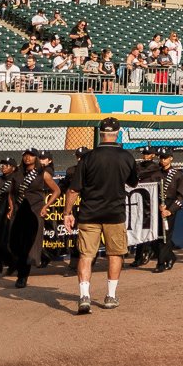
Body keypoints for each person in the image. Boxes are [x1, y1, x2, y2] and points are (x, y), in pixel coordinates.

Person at [64, 117, 140, 313]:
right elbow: (133, 183)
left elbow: (73, 190)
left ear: (100, 133)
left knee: (86, 255)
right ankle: (111, 296)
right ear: (118, 132)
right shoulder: (126, 157)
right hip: (115, 213)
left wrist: (67, 213)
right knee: (115, 254)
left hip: (90, 213)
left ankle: (84, 296)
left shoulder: (88, 157)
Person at [6, 149, 60, 288]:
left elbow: (56, 190)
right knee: (15, 244)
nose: (27, 158)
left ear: (35, 158)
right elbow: (11, 192)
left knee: (28, 245)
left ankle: (22, 276)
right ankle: (16, 265)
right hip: (18, 212)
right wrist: (11, 207)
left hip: (34, 212)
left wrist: (46, 206)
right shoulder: (17, 173)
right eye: (25, 155)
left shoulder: (42, 173)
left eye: (31, 156)